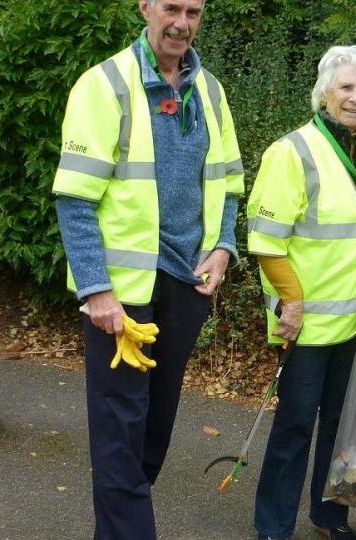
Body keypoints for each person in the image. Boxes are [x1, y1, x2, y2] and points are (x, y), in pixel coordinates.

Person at [51, 0, 244, 538]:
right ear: (145, 7)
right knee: (120, 432)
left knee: (151, 434)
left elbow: (229, 180)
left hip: (187, 284)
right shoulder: (103, 85)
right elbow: (74, 199)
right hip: (123, 296)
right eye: (171, 8)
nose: (182, 22)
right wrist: (97, 291)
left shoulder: (210, 90)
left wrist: (223, 248)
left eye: (195, 11)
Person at [245, 45, 356, 540]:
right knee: (295, 426)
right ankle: (272, 526)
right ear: (324, 93)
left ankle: (333, 515)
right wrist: (289, 302)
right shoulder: (291, 151)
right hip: (309, 321)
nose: (355, 98)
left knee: (351, 424)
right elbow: (266, 242)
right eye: (346, 88)